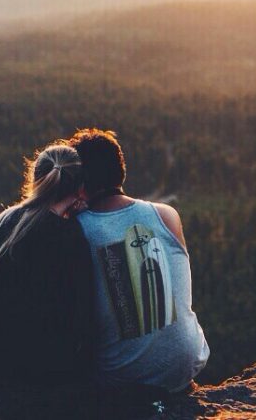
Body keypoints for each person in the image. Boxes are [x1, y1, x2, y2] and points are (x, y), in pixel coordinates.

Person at [69, 128, 210, 392]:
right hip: (185, 365)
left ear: (79, 181)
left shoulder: (77, 229)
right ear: (121, 171)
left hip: (122, 379)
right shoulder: (167, 216)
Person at [0, 142, 94, 384]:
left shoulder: (5, 221)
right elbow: (83, 311)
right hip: (48, 368)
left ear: (36, 179)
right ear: (80, 187)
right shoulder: (71, 235)